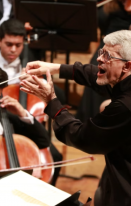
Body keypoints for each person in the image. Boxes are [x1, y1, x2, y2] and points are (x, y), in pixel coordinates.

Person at [20, 30, 131, 206]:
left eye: (107, 56)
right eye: (101, 52)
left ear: (127, 66)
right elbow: (96, 74)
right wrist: (55, 68)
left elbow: (83, 137)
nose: (100, 59)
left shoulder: (127, 106)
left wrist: (51, 100)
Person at [76, 0, 131, 122]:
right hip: (111, 47)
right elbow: (106, 32)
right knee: (97, 64)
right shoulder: (109, 7)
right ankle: (92, 121)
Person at [0, 18, 63, 186]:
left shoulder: (31, 60)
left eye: (18, 45)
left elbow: (54, 94)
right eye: (8, 44)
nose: (13, 50)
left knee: (55, 157)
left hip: (21, 122)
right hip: (6, 123)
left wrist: (35, 83)